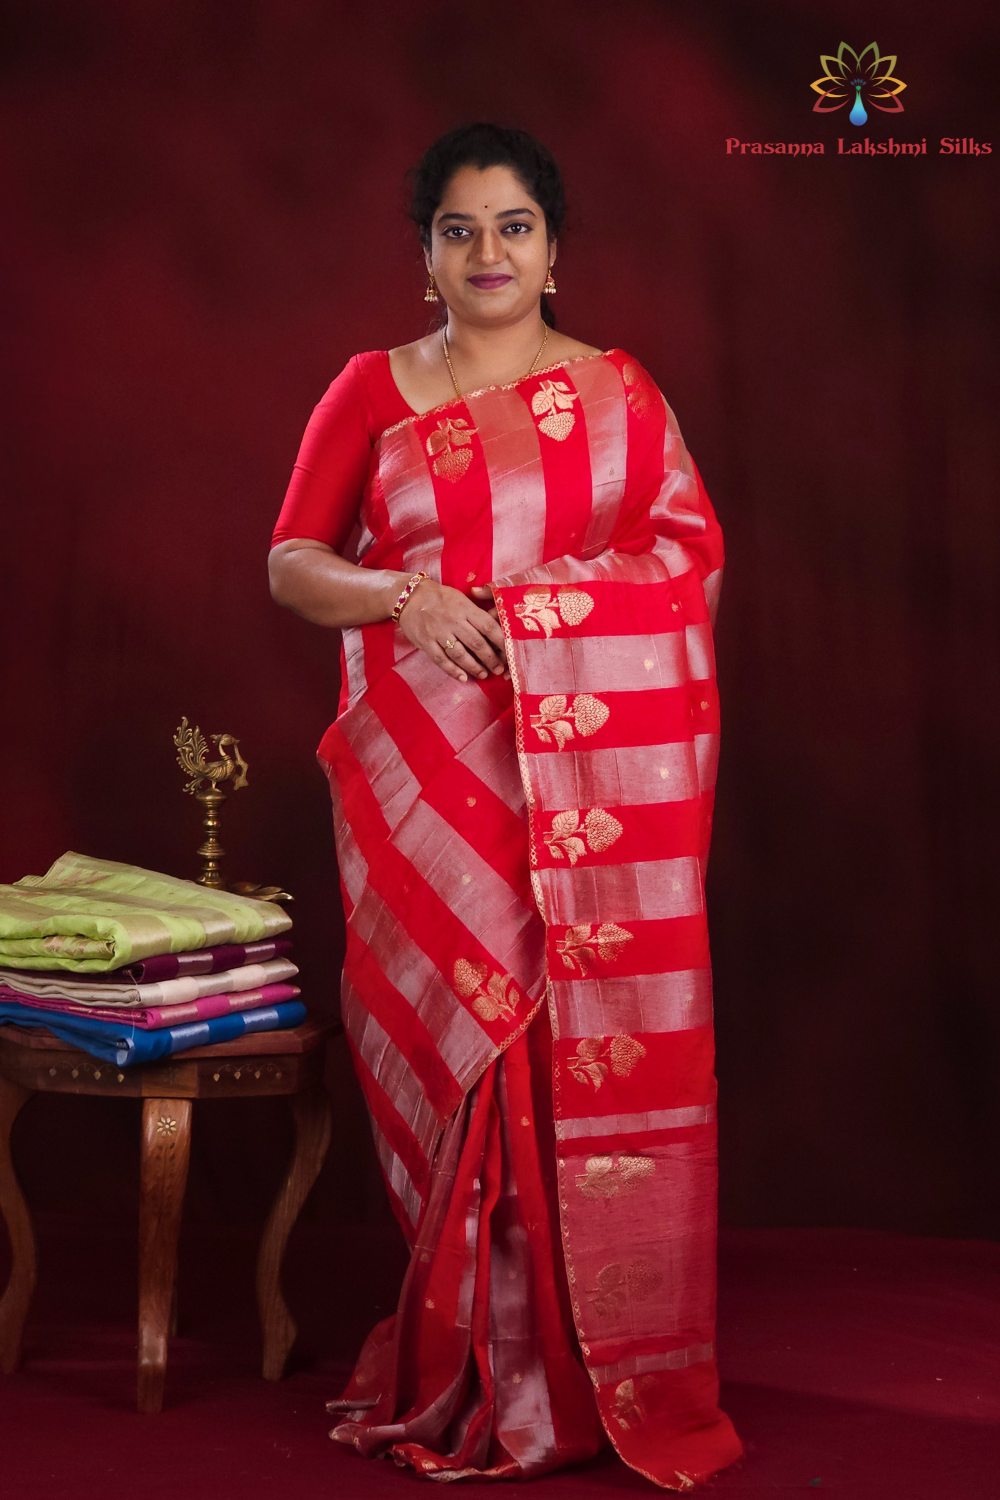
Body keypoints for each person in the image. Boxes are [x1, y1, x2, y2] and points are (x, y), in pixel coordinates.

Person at [269, 122, 741, 1490]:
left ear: (553, 249)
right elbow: (292, 562)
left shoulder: (619, 394)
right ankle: (482, 1359)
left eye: (514, 226)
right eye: (460, 228)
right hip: (429, 773)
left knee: (559, 1033)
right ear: (425, 253)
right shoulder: (373, 389)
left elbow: (686, 561)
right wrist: (404, 594)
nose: (488, 252)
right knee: (471, 1034)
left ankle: (589, 1366)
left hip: (581, 780)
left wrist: (539, 617)